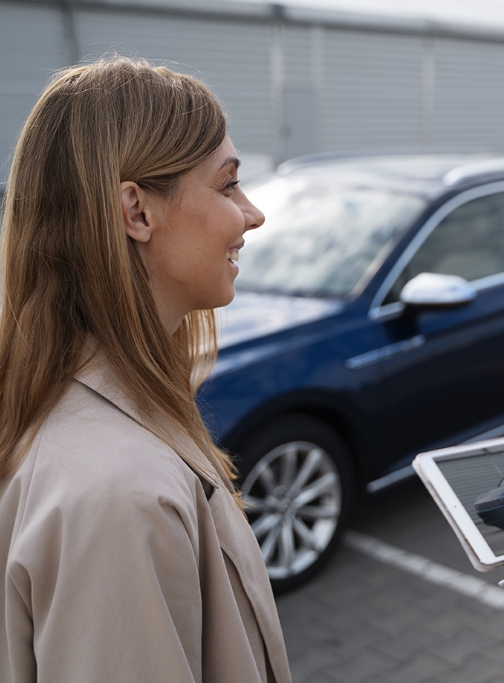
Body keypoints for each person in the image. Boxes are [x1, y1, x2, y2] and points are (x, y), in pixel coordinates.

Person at [0, 57, 292, 682]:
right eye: (227, 185)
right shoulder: (117, 495)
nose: (252, 214)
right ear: (136, 212)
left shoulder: (94, 410)